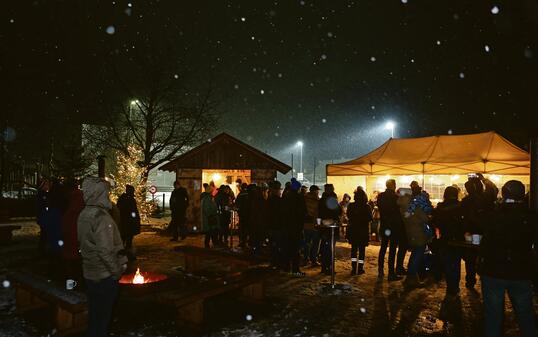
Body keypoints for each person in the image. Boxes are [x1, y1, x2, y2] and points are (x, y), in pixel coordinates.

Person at [479, 180, 537, 337]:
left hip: (493, 271)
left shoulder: (494, 215)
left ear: (504, 194)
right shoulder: (531, 217)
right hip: (521, 271)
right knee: (526, 316)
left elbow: (485, 241)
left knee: (493, 317)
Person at [78, 177, 127, 337]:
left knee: (95, 314)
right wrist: (117, 272)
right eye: (107, 192)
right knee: (103, 317)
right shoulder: (101, 217)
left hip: (90, 272)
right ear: (100, 194)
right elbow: (105, 251)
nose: (109, 195)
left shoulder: (84, 214)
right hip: (104, 275)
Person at [461, 175, 497, 289]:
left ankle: (470, 280)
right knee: (484, 256)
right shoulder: (486, 198)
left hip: (471, 232)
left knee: (470, 258)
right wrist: (484, 179)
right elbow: (493, 189)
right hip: (485, 232)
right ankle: (483, 277)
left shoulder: (467, 201)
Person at [431, 186, 465, 296]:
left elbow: (435, 222)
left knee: (447, 262)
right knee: (455, 262)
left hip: (444, 238)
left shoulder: (441, 207)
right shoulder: (461, 206)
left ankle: (450, 285)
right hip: (458, 239)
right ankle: (454, 286)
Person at [402, 181, 433, 288]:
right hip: (418, 232)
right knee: (417, 254)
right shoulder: (414, 205)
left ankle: (412, 278)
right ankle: (411, 278)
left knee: (415, 254)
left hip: (411, 232)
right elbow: (424, 217)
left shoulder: (405, 204)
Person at [377, 179, 405, 281]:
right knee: (392, 249)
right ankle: (391, 273)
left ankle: (380, 270)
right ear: (393, 186)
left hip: (384, 226)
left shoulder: (380, 196)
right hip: (394, 227)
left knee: (383, 248)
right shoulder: (395, 197)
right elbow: (400, 210)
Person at [281, 179, 307, 276]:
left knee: (287, 247)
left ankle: (286, 267)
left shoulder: (286, 197)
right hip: (296, 227)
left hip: (286, 227)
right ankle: (295, 269)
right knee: (296, 249)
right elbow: (303, 213)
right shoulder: (299, 198)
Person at [60, 180, 84, 280]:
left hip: (71, 239)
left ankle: (71, 284)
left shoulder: (69, 206)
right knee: (78, 265)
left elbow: (65, 226)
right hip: (79, 241)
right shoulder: (83, 202)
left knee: (71, 265)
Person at [346, 188, 372, 275]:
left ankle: (354, 268)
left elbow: (348, 216)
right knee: (362, 251)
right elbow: (370, 218)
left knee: (354, 250)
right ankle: (360, 268)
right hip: (363, 231)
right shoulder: (367, 206)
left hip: (353, 231)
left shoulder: (351, 206)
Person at [318, 183, 341, 275]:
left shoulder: (321, 200)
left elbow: (319, 213)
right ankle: (329, 268)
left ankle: (324, 267)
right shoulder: (332, 199)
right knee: (330, 248)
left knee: (325, 247)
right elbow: (337, 211)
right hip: (331, 227)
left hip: (324, 227)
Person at [117, 185, 141, 258]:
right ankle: (127, 254)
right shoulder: (130, 199)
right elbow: (133, 211)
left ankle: (121, 253)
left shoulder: (122, 198)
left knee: (123, 237)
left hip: (123, 221)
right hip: (129, 222)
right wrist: (134, 218)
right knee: (128, 238)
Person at [267, 180, 285, 269]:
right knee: (278, 245)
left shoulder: (270, 200)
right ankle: (277, 262)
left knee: (273, 245)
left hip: (272, 226)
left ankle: (274, 262)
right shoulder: (279, 201)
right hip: (278, 227)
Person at [303, 185, 321, 267]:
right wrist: (319, 224)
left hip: (305, 225)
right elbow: (318, 214)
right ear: (315, 191)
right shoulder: (317, 200)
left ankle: (306, 259)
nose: (318, 192)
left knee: (306, 243)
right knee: (315, 243)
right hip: (314, 225)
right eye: (317, 191)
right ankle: (313, 259)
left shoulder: (304, 199)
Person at [201, 183, 219, 248]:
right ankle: (209, 244)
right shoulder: (208, 198)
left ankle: (209, 244)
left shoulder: (208, 198)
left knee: (210, 232)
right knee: (210, 231)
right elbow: (207, 209)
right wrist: (212, 214)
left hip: (210, 218)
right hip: (210, 218)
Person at [235, 182, 250, 248]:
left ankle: (242, 241)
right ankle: (246, 240)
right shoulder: (249, 194)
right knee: (247, 228)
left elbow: (237, 203)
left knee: (242, 228)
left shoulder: (240, 194)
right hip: (248, 214)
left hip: (241, 214)